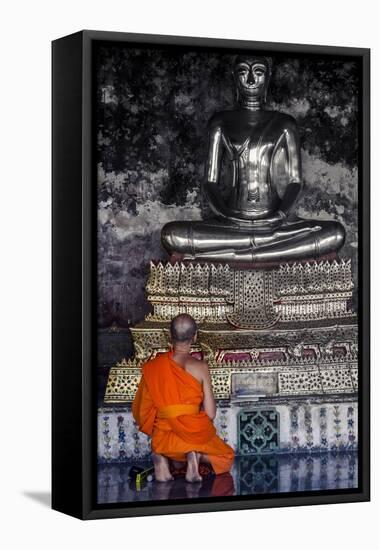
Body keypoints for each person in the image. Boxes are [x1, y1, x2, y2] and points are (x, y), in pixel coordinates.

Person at [161, 54, 345, 263]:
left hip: (275, 222)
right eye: (242, 72)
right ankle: (261, 249)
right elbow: (210, 182)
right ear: (234, 77)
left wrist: (281, 216)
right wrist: (226, 215)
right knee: (171, 234)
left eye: (258, 72)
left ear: (268, 77)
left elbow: (295, 182)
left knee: (335, 233)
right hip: (231, 223)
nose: (250, 80)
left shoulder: (285, 123)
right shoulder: (220, 122)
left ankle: (245, 252)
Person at [132, 313, 235, 483]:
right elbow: (210, 413)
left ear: (169, 335)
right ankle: (196, 455)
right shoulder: (201, 367)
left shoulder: (154, 367)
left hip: (163, 438)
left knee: (173, 456)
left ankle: (161, 457)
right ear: (194, 336)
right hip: (193, 433)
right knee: (226, 457)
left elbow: (143, 410)